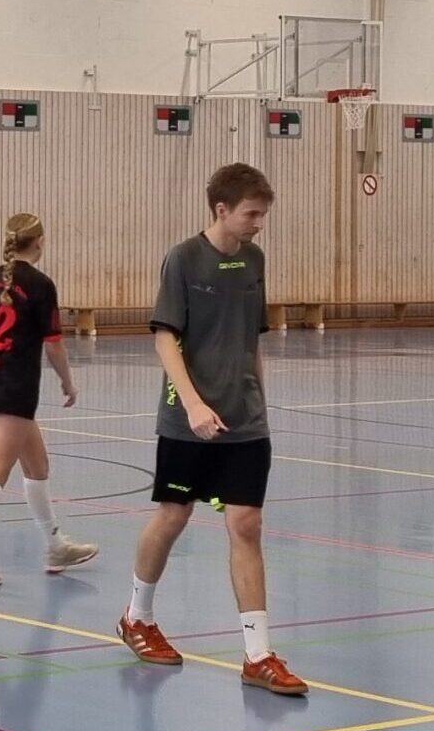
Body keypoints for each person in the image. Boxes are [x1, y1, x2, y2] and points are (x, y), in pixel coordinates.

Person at [120, 163, 305, 695]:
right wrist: (194, 404)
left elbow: (251, 340)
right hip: (189, 419)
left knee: (246, 525)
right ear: (221, 209)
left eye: (263, 215)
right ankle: (137, 616)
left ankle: (258, 654)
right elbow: (164, 337)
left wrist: (259, 402)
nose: (258, 223)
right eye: (251, 214)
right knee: (173, 514)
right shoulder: (183, 258)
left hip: (246, 420)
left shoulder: (254, 261)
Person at [0, 213, 96, 584]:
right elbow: (54, 344)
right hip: (16, 384)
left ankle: (55, 544)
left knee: (37, 466)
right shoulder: (40, 285)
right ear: (40, 241)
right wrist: (68, 382)